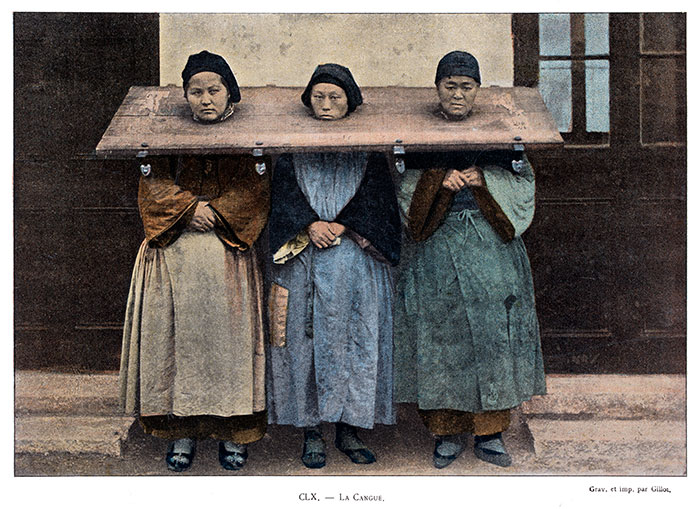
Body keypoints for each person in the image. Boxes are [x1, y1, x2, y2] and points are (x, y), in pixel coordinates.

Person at [118, 50, 271, 472]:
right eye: (196, 91)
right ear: (185, 97)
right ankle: (181, 431)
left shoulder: (250, 141)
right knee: (177, 346)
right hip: (173, 257)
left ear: (229, 94)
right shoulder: (162, 137)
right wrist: (190, 209)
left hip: (227, 259)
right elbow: (152, 183)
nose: (205, 99)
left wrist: (216, 213)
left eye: (214, 90)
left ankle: (232, 433)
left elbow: (255, 190)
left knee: (227, 350)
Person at [393, 51, 546, 469]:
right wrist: (437, 180)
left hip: (489, 244)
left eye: (466, 87)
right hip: (437, 247)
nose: (457, 94)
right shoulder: (414, 135)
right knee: (439, 334)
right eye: (449, 86)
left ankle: (491, 432)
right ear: (437, 88)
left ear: (478, 90)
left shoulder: (502, 132)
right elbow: (402, 183)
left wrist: (485, 178)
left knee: (493, 335)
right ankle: (445, 431)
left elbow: (522, 180)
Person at [266, 63, 401, 469]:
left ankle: (349, 428)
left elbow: (379, 203)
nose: (325, 105)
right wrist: (309, 224)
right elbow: (281, 198)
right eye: (318, 97)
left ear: (350, 103)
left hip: (352, 264)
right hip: (302, 258)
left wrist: (342, 225)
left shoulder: (370, 152)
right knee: (304, 343)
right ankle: (310, 432)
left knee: (352, 342)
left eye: (335, 98)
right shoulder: (289, 152)